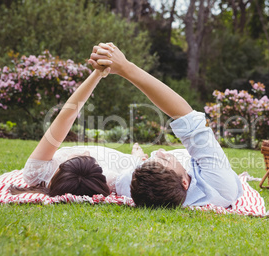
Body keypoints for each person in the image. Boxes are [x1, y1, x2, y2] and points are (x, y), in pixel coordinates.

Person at [89, 43, 243, 208]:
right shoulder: (220, 185)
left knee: (136, 160)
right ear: (185, 183)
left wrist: (99, 72)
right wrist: (125, 68)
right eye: (164, 159)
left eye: (156, 158)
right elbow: (186, 117)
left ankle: (138, 157)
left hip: (144, 169)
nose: (160, 150)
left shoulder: (136, 185)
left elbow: (102, 180)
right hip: (206, 172)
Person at [9, 48, 147, 197]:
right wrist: (136, 159)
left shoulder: (37, 173)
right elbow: (134, 176)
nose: (85, 151)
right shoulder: (109, 176)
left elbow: (67, 115)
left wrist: (97, 74)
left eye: (77, 158)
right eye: (91, 160)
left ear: (62, 169)